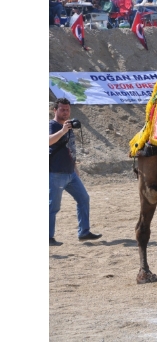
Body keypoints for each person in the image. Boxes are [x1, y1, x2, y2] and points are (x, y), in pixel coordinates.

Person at [49, 98, 102, 246]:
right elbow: (48, 141)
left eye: (67, 109)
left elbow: (70, 148)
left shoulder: (69, 126)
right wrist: (62, 131)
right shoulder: (52, 125)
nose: (65, 112)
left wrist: (75, 167)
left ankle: (84, 232)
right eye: (62, 109)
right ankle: (48, 237)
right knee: (53, 206)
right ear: (55, 110)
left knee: (84, 198)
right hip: (55, 172)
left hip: (70, 173)